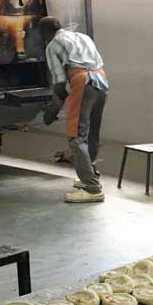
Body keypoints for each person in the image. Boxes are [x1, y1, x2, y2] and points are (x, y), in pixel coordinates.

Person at [40, 16, 110, 203]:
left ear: (45, 33)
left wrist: (52, 110)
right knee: (92, 132)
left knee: (76, 136)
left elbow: (60, 84)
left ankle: (92, 189)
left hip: (82, 82)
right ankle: (90, 175)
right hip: (101, 81)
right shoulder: (82, 36)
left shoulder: (52, 45)